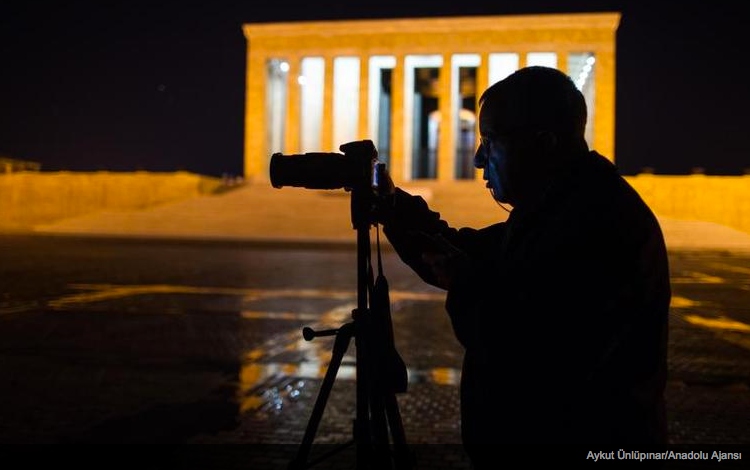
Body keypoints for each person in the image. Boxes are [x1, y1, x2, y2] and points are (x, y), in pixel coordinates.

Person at [375, 66, 670, 462]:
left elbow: (521, 346)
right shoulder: (557, 208)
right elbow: (462, 250)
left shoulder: (597, 222)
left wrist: (467, 284)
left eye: (490, 141)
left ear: (543, 144)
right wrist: (394, 208)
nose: (479, 158)